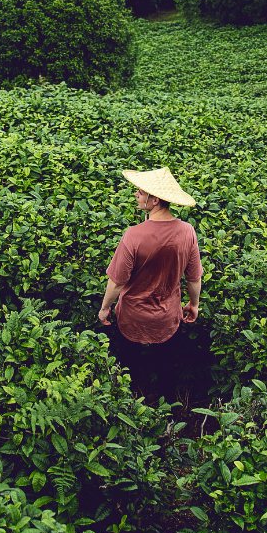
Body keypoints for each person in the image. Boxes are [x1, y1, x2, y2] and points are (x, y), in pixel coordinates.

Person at [98, 167, 202, 399]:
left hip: (132, 315)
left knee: (128, 369)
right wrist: (193, 304)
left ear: (154, 200)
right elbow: (194, 278)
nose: (136, 194)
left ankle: (130, 410)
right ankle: (169, 418)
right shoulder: (187, 232)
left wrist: (105, 309)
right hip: (167, 317)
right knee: (167, 370)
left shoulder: (133, 235)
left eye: (140, 191)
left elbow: (116, 282)